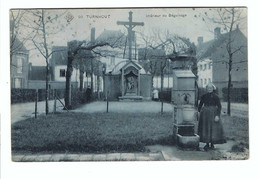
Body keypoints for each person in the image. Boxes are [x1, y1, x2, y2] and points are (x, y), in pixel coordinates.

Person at [198, 83, 226, 151]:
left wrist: (217, 115)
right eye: (208, 88)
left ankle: (212, 144)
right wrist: (199, 112)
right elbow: (200, 105)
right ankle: (207, 143)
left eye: (210, 88)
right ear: (206, 89)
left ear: (213, 89)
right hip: (205, 115)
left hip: (213, 114)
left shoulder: (216, 96)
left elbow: (219, 106)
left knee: (213, 128)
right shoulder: (203, 96)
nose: (209, 89)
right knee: (206, 128)